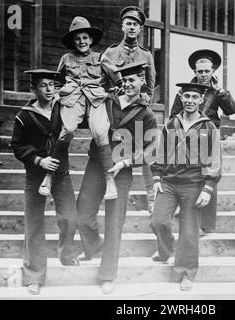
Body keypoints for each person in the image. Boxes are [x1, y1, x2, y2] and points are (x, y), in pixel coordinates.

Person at [76, 61, 158, 294]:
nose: (128, 84)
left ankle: (107, 274)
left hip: (122, 171)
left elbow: (151, 149)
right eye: (125, 79)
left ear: (143, 81)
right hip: (96, 164)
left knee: (114, 222)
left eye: (134, 80)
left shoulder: (146, 114)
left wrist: (126, 161)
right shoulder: (107, 101)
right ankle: (95, 247)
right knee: (82, 213)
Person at [11, 69, 79, 296]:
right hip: (36, 174)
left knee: (70, 217)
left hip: (60, 172)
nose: (49, 90)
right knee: (34, 225)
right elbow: (17, 146)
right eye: (43, 85)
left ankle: (67, 254)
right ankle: (33, 276)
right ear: (33, 89)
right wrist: (39, 160)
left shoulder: (64, 109)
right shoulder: (24, 115)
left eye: (52, 85)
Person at [38, 16, 119, 201]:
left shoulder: (100, 57)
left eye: (85, 38)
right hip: (73, 98)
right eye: (77, 39)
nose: (81, 42)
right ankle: (49, 176)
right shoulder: (66, 58)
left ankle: (110, 180)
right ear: (73, 41)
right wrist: (57, 94)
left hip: (95, 98)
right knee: (67, 130)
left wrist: (115, 88)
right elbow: (57, 80)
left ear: (90, 40)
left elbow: (116, 76)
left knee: (100, 132)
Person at [150, 83, 222, 291]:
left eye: (195, 97)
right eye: (186, 96)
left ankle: (186, 272)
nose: (190, 100)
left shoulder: (209, 127)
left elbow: (215, 160)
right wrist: (156, 178)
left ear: (201, 101)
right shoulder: (172, 123)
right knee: (158, 222)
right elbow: (160, 153)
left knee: (189, 233)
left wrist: (208, 188)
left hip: (193, 185)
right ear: (181, 98)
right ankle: (165, 250)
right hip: (169, 183)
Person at [170, 49, 235, 237]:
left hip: (208, 137)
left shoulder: (217, 91)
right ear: (195, 72)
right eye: (200, 72)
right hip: (187, 137)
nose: (203, 75)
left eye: (207, 71)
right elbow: (174, 114)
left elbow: (231, 110)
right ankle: (181, 210)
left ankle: (206, 225)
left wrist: (221, 91)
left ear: (213, 71)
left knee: (209, 177)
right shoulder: (185, 90)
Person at [103, 6, 157, 214]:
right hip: (116, 108)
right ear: (122, 26)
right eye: (129, 23)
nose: (132, 27)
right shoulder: (111, 52)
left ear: (140, 29)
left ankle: (151, 199)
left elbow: (150, 84)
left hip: (137, 110)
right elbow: (102, 81)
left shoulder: (146, 55)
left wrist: (144, 103)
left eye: (136, 24)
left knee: (147, 152)